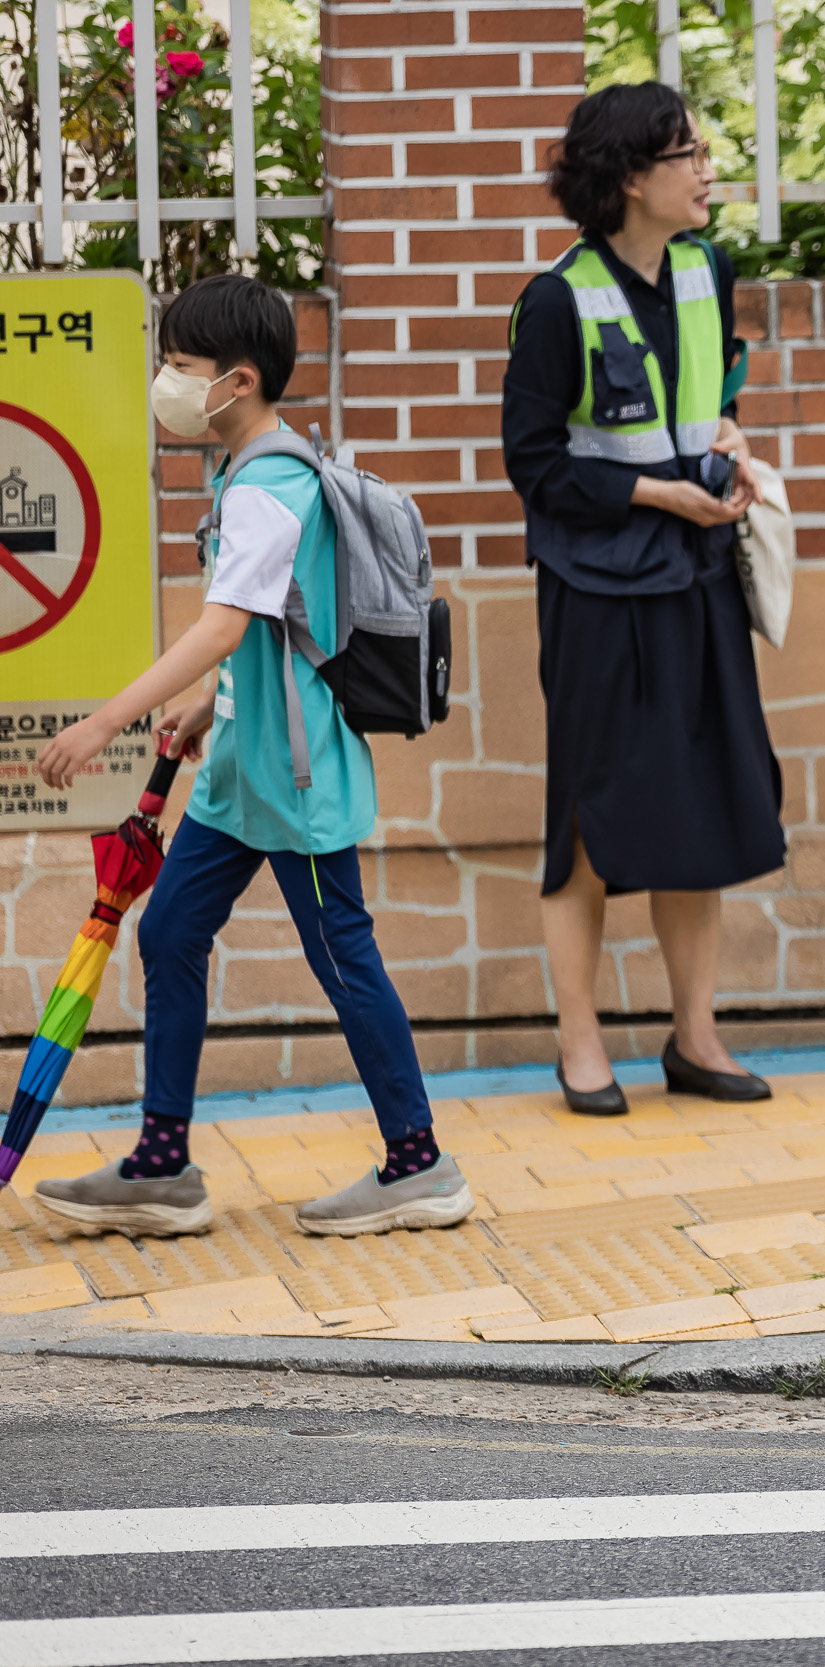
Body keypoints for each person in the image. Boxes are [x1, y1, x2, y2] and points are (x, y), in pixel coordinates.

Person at [29, 275, 469, 1239]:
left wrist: (106, 720)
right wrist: (199, 709)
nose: (168, 384)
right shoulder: (247, 469)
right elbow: (275, 632)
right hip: (241, 777)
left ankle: (419, 1161)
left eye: (180, 368)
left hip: (296, 784)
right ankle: (162, 1163)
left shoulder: (269, 486)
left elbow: (226, 626)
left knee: (344, 959)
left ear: (235, 380)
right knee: (171, 932)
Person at [501, 83, 784, 1115]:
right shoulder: (555, 300)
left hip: (700, 572)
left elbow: (714, 399)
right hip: (595, 588)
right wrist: (651, 490)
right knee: (587, 810)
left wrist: (733, 447)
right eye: (687, 155)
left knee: (700, 799)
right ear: (629, 178)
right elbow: (531, 465)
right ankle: (581, 1043)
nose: (706, 171)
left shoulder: (709, 269)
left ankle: (694, 1036)